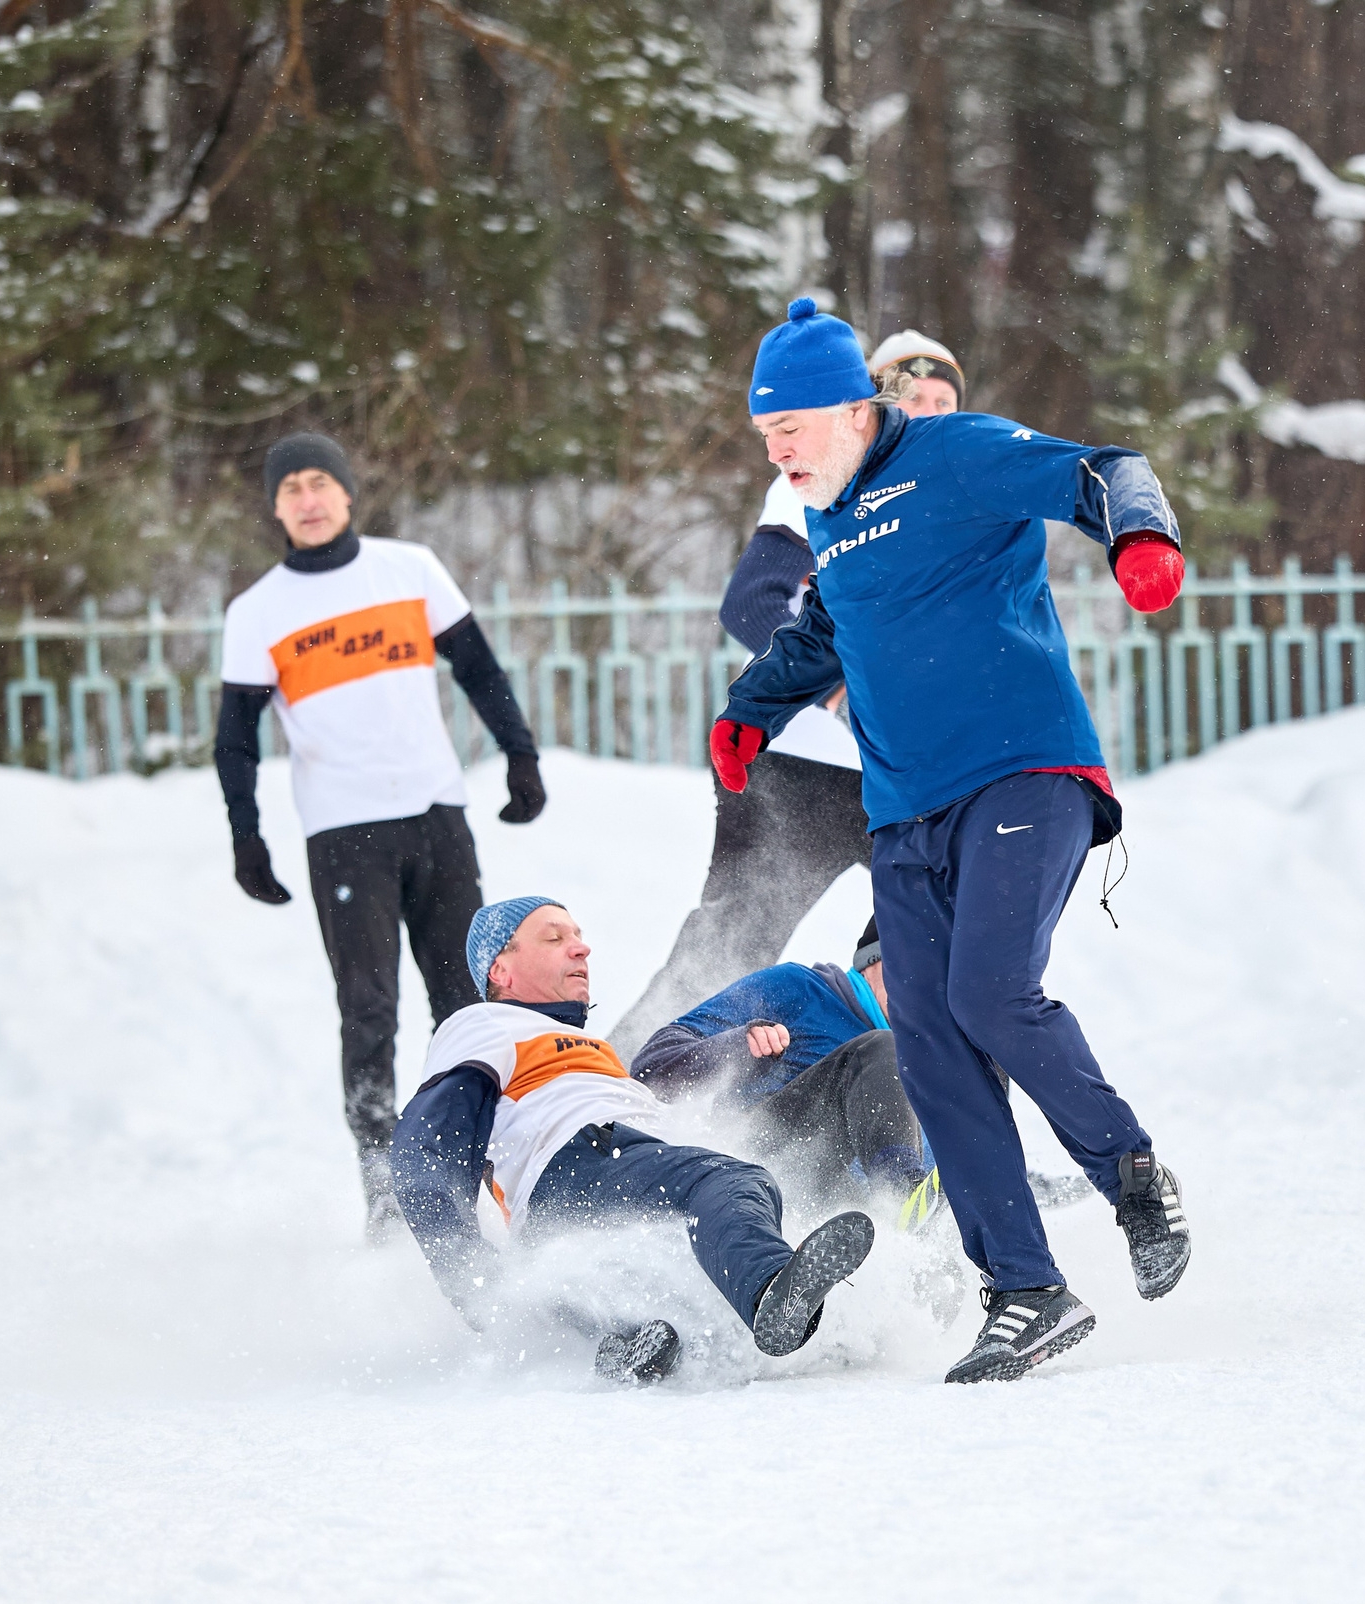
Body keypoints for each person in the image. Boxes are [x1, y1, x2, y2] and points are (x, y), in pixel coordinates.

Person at [709, 297, 1193, 1384]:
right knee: (927, 1041)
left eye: (789, 429)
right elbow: (827, 624)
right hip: (906, 809)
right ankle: (1026, 1287)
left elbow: (1103, 469)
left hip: (1025, 771)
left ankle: (1131, 1179)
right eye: (764, 437)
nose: (778, 452)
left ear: (850, 409)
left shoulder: (958, 453)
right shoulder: (827, 513)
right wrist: (753, 707)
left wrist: (1143, 540)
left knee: (989, 995)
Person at [215, 432, 548, 1237]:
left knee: (467, 1004)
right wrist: (247, 839)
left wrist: (520, 757)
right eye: (290, 486)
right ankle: (389, 1196)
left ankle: (492, 1169)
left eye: (320, 480)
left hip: (435, 815)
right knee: (367, 1011)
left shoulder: (409, 568)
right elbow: (235, 738)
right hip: (343, 833)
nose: (308, 497)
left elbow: (478, 668)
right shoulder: (258, 611)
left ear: (348, 491)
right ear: (275, 505)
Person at [607, 332, 969, 1060]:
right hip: (794, 769)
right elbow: (753, 602)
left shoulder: (960, 496)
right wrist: (839, 690)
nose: (928, 413)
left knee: (942, 953)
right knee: (725, 949)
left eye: (945, 402)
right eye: (912, 397)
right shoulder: (823, 472)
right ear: (869, 408)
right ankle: (602, 1100)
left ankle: (946, 1148)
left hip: (900, 783)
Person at [390, 896, 876, 1385]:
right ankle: (773, 1287)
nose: (580, 949)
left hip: (581, 1196)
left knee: (670, 1265)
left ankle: (627, 1343)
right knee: (731, 1180)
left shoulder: (592, 1051)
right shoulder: (484, 1024)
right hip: (581, 1161)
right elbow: (427, 1144)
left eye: (578, 936)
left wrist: (736, 1055)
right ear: (502, 969)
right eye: (555, 938)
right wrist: (467, 1274)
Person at [630, 919, 931, 1214]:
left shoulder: (932, 1077)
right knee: (878, 1048)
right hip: (759, 1165)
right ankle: (901, 1195)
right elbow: (650, 1068)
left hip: (841, 1215)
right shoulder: (802, 989)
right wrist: (738, 1048)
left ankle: (911, 1228)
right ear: (873, 959)